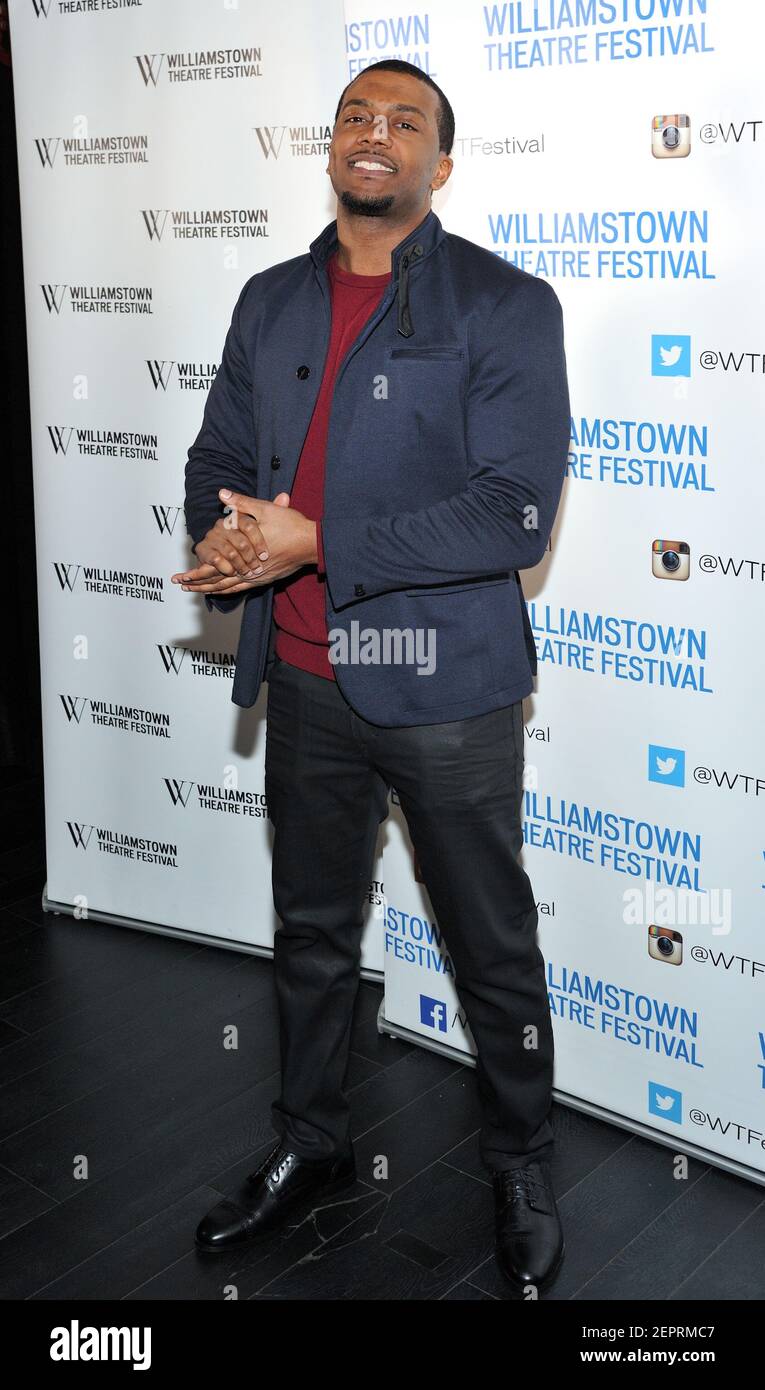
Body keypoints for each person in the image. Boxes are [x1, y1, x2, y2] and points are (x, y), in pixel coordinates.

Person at [172, 58, 570, 1296]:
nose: (375, 134)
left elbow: (511, 516)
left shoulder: (506, 304)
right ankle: (313, 1144)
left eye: (406, 122)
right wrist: (230, 540)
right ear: (330, 146)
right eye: (357, 115)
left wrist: (318, 540)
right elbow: (219, 455)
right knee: (309, 934)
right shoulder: (269, 297)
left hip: (447, 694)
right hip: (302, 678)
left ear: (439, 165)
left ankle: (518, 1162)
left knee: (489, 944)